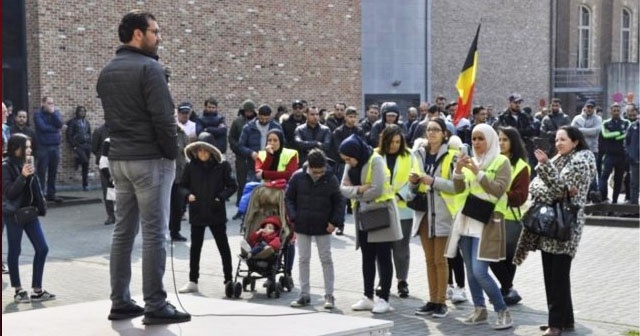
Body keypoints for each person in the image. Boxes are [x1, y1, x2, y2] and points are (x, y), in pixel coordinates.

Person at [96, 10, 190, 324]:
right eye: (155, 31)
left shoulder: (107, 71)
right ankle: (156, 304)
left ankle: (120, 301)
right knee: (155, 234)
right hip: (150, 160)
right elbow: (165, 121)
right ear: (138, 34)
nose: (158, 36)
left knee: (123, 232)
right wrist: (170, 155)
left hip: (119, 160)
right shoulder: (151, 69)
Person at [515, 126, 596, 336]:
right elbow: (535, 186)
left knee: (557, 277)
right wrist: (552, 184)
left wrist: (545, 168)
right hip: (548, 225)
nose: (558, 143)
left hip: (564, 226)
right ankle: (565, 320)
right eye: (557, 139)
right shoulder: (558, 160)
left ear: (575, 141)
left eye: (563, 139)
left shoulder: (581, 161)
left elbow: (562, 192)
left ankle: (555, 325)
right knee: (552, 275)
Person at [445, 123, 513, 330]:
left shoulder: (502, 161)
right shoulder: (471, 160)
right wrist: (457, 172)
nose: (476, 143)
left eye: (481, 138)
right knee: (471, 271)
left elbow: (498, 190)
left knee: (480, 271)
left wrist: (478, 173)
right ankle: (479, 309)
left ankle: (503, 311)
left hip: (488, 222)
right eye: (474, 139)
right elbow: (458, 190)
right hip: (466, 221)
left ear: (490, 140)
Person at [339, 134, 403, 314]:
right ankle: (368, 297)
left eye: (349, 159)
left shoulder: (375, 160)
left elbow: (377, 189)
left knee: (384, 257)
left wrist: (354, 192)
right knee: (367, 256)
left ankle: (384, 299)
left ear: (356, 154)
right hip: (363, 215)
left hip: (381, 214)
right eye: (345, 160)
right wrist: (360, 189)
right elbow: (342, 188)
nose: (348, 163)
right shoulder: (349, 162)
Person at [410, 119, 461, 318]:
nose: (431, 133)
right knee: (429, 260)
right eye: (429, 130)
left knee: (440, 260)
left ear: (444, 134)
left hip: (443, 213)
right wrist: (413, 183)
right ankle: (432, 300)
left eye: (436, 130)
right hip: (423, 214)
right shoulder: (419, 154)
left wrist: (434, 181)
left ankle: (441, 301)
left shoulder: (453, 156)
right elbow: (413, 186)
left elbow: (457, 186)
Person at [286, 149, 344, 309]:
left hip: (324, 225)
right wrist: (293, 216)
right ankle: (304, 294)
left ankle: (329, 295)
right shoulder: (298, 177)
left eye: (321, 171)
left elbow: (339, 202)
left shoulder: (331, 178)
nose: (318, 174)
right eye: (315, 172)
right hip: (302, 223)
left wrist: (334, 222)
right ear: (309, 167)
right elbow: (289, 197)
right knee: (303, 259)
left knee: (326, 259)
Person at [178, 139, 237, 294]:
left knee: (223, 246)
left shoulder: (222, 166)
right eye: (200, 150)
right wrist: (188, 195)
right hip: (197, 211)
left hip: (216, 211)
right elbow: (182, 186)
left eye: (206, 150)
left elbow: (232, 185)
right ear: (196, 152)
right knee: (195, 248)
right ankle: (193, 280)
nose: (203, 153)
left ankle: (228, 279)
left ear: (211, 151)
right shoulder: (191, 166)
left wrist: (221, 197)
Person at [2, 134, 55, 303]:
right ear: (15, 148)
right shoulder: (5, 166)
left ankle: (37, 290)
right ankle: (18, 290)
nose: (29, 150)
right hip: (14, 215)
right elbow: (10, 193)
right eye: (26, 147)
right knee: (15, 251)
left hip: (30, 213)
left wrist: (42, 206)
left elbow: (37, 186)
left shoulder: (28, 162)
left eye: (30, 146)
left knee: (42, 248)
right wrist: (22, 176)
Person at [374, 125, 417, 299]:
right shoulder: (375, 155)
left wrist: (401, 194)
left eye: (398, 142)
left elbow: (415, 179)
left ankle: (402, 281)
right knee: (381, 248)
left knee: (401, 248)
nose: (394, 145)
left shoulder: (409, 155)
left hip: (402, 208)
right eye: (391, 142)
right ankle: (383, 281)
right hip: (381, 207)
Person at [489, 126, 530, 306]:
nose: (501, 143)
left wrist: (498, 191)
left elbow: (520, 196)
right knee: (491, 257)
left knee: (507, 258)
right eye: (499, 139)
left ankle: (507, 289)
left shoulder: (521, 166)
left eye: (505, 139)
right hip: (491, 215)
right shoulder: (492, 160)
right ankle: (508, 289)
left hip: (511, 217)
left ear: (513, 142)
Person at [239, 104, 283, 182]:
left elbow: (283, 143)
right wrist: (251, 153)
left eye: (267, 119)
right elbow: (241, 146)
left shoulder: (276, 127)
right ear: (258, 114)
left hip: (272, 165)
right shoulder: (248, 127)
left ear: (270, 116)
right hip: (254, 165)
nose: (264, 121)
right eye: (262, 119)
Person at [228, 100, 257, 219]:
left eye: (251, 111)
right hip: (241, 158)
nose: (249, 113)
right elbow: (232, 138)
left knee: (254, 183)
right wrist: (239, 150)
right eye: (247, 111)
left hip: (255, 157)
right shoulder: (237, 122)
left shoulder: (257, 122)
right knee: (242, 183)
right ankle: (241, 208)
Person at [33, 96, 64, 202]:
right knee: (41, 171)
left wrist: (53, 113)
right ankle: (41, 194)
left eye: (52, 103)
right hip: (43, 146)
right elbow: (42, 128)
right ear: (43, 103)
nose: (51, 105)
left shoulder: (56, 113)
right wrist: (54, 129)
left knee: (53, 171)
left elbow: (59, 124)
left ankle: (51, 194)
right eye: (49, 103)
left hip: (55, 146)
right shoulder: (38, 114)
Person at [599, 103, 631, 204]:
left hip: (622, 155)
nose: (616, 112)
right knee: (604, 176)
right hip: (609, 154)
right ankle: (603, 197)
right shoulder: (605, 123)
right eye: (614, 110)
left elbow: (628, 135)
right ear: (611, 111)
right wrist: (619, 133)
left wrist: (614, 135)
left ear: (620, 111)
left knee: (618, 179)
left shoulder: (626, 122)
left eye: (618, 110)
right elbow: (605, 135)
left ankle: (615, 201)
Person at [571, 99, 602, 200]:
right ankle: (581, 194)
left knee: (592, 172)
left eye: (591, 107)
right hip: (579, 149)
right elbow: (571, 132)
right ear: (584, 107)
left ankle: (593, 195)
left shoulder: (598, 119)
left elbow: (596, 131)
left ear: (594, 108)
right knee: (579, 172)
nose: (589, 109)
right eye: (588, 107)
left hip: (592, 149)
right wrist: (585, 131)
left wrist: (579, 130)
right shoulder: (577, 118)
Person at [91, 123, 115, 225]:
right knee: (107, 190)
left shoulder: (120, 128)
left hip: (118, 162)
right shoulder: (99, 131)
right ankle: (111, 215)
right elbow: (94, 148)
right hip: (105, 164)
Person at [66, 105, 92, 191]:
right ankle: (78, 160)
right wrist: (74, 146)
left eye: (84, 111)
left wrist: (90, 143)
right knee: (84, 160)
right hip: (79, 145)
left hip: (87, 145)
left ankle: (85, 184)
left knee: (86, 165)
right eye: (81, 111)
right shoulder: (73, 122)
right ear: (77, 112)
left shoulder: (87, 122)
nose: (82, 112)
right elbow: (69, 135)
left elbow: (89, 133)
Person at [626, 111, 639, 205]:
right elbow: (626, 141)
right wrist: (629, 153)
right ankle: (633, 203)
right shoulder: (633, 126)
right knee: (634, 182)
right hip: (634, 159)